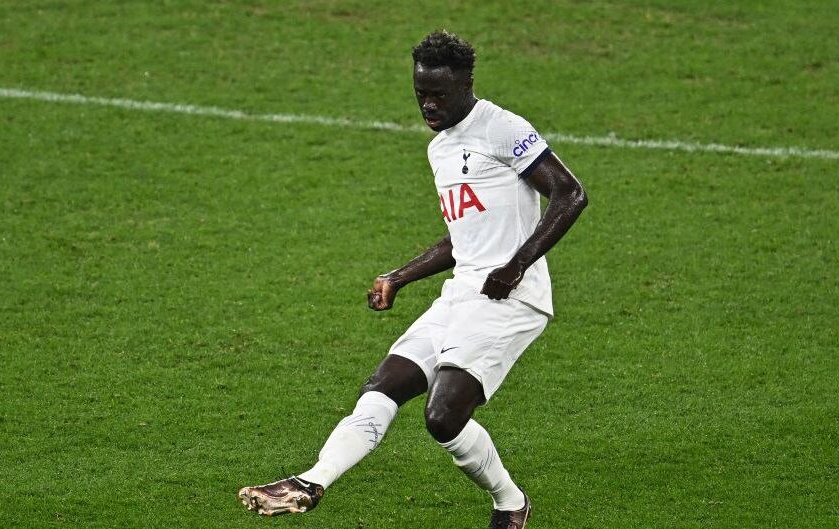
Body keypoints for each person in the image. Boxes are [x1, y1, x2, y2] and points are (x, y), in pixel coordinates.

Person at [239, 30, 587, 529]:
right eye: (420, 93)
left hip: (512, 298)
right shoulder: (440, 149)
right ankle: (310, 482)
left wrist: (517, 264)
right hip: (464, 291)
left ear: (466, 83)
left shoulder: (502, 128)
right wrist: (399, 277)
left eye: (438, 94)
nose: (428, 104)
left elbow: (570, 193)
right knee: (383, 385)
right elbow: (461, 238)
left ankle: (511, 505)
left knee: (443, 416)